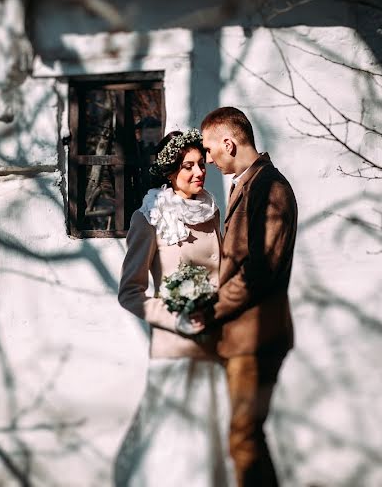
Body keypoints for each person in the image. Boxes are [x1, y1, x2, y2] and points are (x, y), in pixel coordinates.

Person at [114, 129, 235, 487]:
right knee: (176, 448)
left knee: (214, 447)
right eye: (188, 167)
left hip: (215, 343)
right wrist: (176, 319)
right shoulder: (148, 217)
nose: (199, 172)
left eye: (201, 165)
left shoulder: (212, 211)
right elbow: (130, 292)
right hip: (175, 350)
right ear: (170, 172)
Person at [200, 107, 297, 487]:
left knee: (244, 437)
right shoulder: (249, 183)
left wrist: (214, 309)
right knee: (246, 437)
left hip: (257, 336)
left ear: (229, 142)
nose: (208, 159)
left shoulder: (269, 187)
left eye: (209, 149)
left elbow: (259, 269)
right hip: (243, 336)